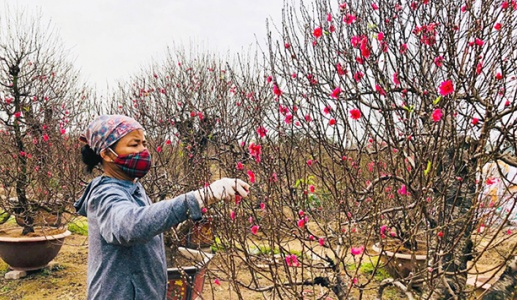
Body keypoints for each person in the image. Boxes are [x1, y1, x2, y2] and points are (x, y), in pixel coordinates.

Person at [74, 114, 249, 300]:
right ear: (107, 154)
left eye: (143, 143)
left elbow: (149, 221)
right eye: (134, 145)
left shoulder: (133, 187)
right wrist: (199, 198)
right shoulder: (104, 194)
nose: (143, 150)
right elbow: (130, 226)